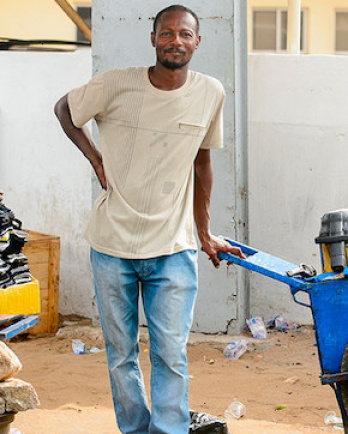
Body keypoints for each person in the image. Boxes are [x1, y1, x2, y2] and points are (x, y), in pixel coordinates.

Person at [54, 5, 243, 433]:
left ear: (198, 42)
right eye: (167, 33)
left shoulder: (210, 92)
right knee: (121, 356)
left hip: (173, 251)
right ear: (153, 37)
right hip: (111, 248)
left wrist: (205, 232)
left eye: (185, 34)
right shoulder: (116, 84)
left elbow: (202, 164)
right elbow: (64, 108)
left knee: (170, 355)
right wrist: (95, 158)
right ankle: (136, 430)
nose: (175, 41)